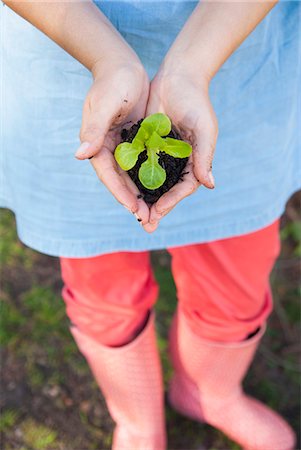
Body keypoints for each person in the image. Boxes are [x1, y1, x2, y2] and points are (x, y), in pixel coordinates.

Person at [1, 0, 300, 449]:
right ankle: (136, 416)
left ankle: (208, 393)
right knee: (102, 286)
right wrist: (108, 58)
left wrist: (191, 66)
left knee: (236, 277)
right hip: (68, 58)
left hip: (236, 51)